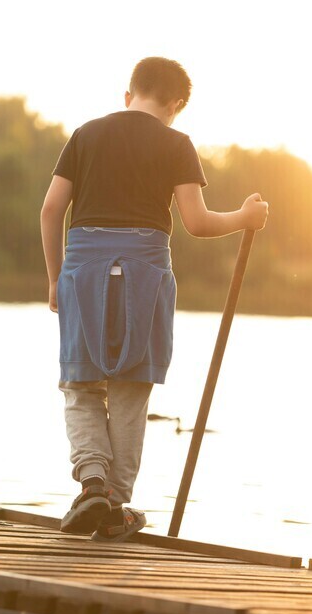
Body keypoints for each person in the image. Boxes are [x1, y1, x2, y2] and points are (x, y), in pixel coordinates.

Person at [40, 57, 268, 543]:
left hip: (82, 273)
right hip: (142, 277)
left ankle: (93, 484)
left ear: (129, 93)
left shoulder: (85, 134)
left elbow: (51, 209)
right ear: (176, 105)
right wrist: (245, 218)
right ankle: (114, 503)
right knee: (130, 388)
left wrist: (56, 277)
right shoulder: (176, 143)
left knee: (81, 384)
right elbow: (199, 222)